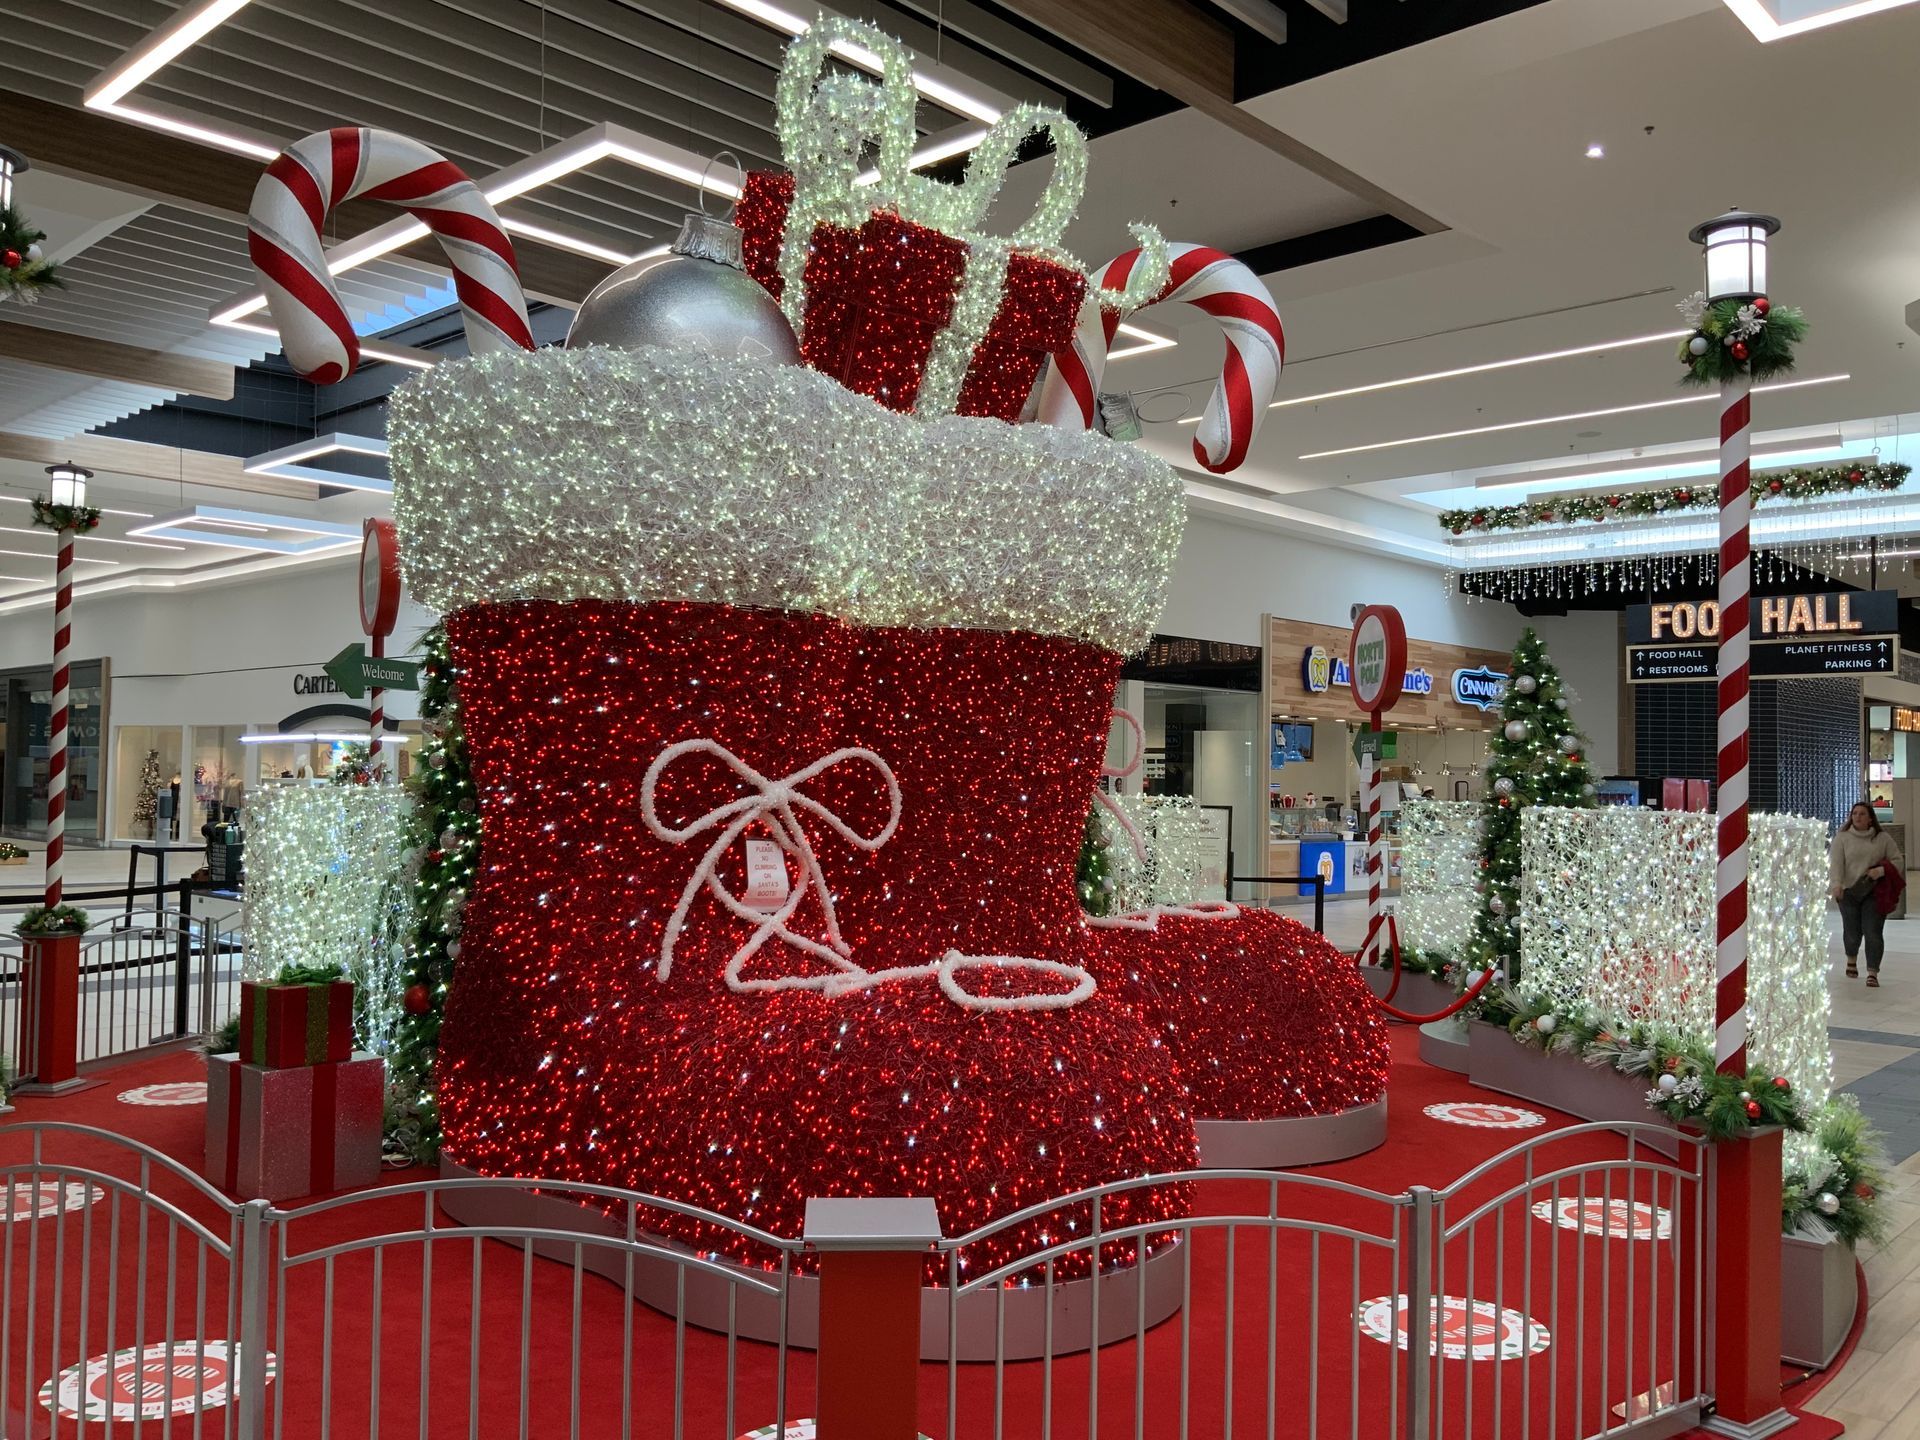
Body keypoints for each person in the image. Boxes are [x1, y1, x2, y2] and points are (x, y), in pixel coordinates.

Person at [1830, 801, 1903, 986]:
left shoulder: (1882, 838)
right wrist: (1837, 884)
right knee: (1852, 931)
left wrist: (1881, 871)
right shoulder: (1842, 838)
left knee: (1873, 931)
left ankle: (1872, 972)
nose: (1858, 817)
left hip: (1874, 891)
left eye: (1862, 814)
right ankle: (1851, 960)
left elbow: (1897, 860)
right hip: (1849, 892)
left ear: (1871, 818)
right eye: (1855, 813)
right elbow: (1836, 864)